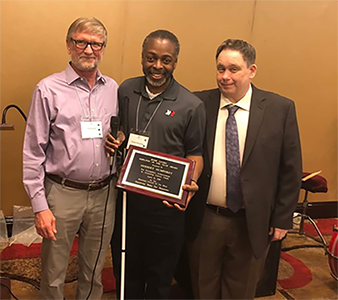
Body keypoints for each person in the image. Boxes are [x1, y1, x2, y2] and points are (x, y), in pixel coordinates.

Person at [185, 39, 302, 300]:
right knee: (203, 288)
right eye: (220, 68)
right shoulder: (197, 104)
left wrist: (283, 219)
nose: (225, 77)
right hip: (206, 219)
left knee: (241, 290)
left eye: (233, 69)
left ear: (252, 70)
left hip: (252, 222)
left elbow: (291, 169)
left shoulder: (279, 109)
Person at [23, 17, 123, 300]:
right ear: (69, 45)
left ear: (103, 48)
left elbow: (118, 130)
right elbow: (33, 151)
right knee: (54, 272)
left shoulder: (113, 89)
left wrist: (121, 138)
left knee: (94, 271)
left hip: (104, 193)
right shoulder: (48, 89)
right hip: (62, 193)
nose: (88, 50)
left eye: (96, 44)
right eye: (81, 42)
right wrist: (40, 205)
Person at [107, 30, 206, 300]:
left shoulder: (191, 105)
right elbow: (124, 130)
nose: (158, 66)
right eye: (151, 58)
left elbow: (196, 154)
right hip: (127, 203)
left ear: (175, 62)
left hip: (166, 209)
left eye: (166, 60)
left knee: (160, 277)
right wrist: (119, 139)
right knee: (126, 271)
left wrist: (190, 183)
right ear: (142, 58)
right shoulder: (126, 89)